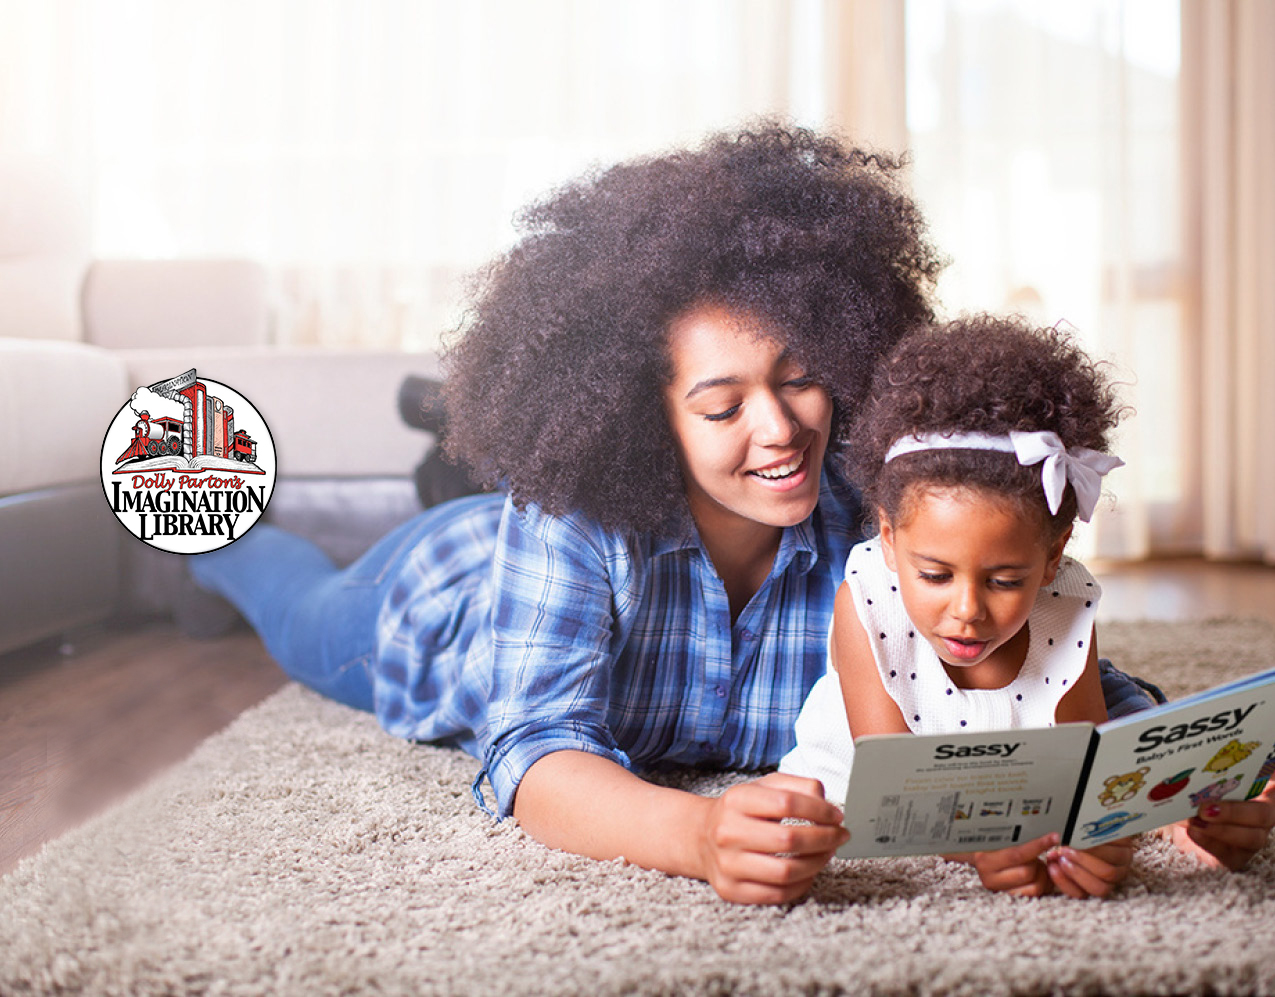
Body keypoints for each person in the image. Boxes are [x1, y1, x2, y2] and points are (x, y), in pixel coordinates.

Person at [188, 123, 1160, 905]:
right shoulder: (574, 515)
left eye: (801, 378)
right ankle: (220, 533)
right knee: (292, 597)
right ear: (644, 412)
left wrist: (1191, 791)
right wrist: (699, 832)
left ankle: (435, 448)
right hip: (441, 598)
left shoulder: (887, 519)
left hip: (526, 538)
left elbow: (1066, 675)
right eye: (721, 404)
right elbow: (535, 746)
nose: (780, 430)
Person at [779, 315, 1275, 898]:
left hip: (1016, 800)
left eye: (1006, 580)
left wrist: (1122, 834)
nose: (966, 609)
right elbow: (897, 788)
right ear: (887, 538)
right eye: (934, 574)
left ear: (1052, 556)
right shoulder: (865, 600)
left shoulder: (1064, 604)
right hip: (857, 800)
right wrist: (988, 845)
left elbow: (1088, 764)